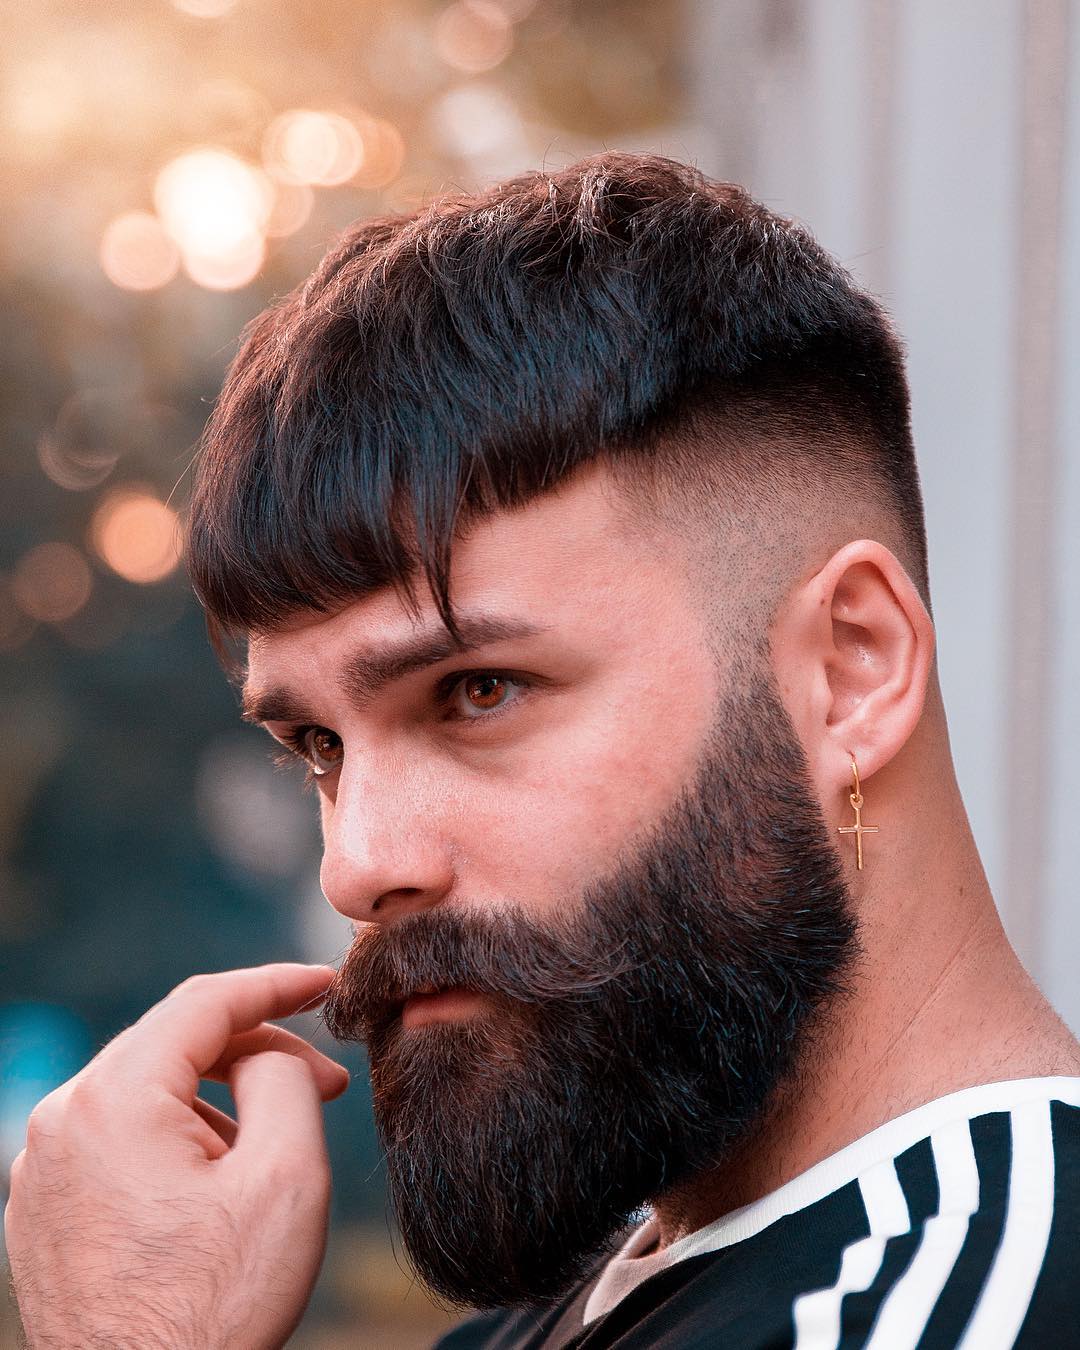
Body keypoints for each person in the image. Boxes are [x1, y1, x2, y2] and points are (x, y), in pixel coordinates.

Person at [7, 152, 1080, 1349]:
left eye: (476, 691)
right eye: (316, 743)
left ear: (851, 672)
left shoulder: (966, 1311)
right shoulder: (561, 1323)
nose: (356, 865)